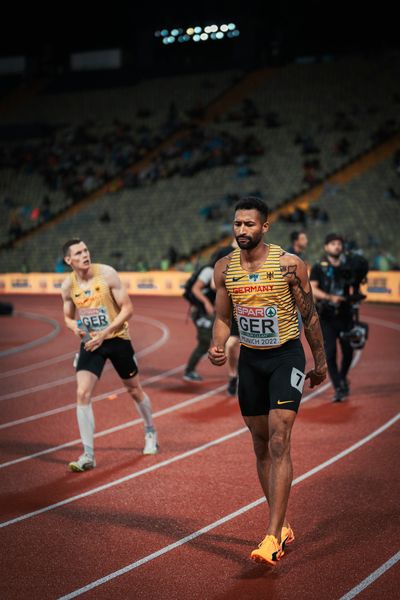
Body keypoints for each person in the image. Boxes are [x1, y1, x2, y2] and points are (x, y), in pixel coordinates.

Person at [209, 197, 327, 566]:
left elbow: (309, 317)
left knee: (279, 439)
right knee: (260, 443)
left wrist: (320, 364)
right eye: (237, 224)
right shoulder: (224, 268)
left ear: (265, 227)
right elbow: (223, 317)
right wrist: (217, 345)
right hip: (251, 361)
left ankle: (272, 537)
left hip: (285, 357)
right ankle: (284, 524)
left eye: (249, 224)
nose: (242, 230)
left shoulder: (290, 265)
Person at [61, 239, 158, 472]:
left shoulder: (107, 274)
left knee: (134, 390)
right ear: (68, 260)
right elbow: (67, 316)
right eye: (78, 253)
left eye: (86, 250)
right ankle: (88, 455)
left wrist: (105, 333)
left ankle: (150, 431)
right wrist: (73, 326)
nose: (85, 254)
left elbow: (128, 309)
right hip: (91, 342)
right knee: (82, 392)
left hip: (117, 339)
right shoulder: (67, 286)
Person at [310, 233, 359, 402]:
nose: (336, 246)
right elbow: (313, 289)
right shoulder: (319, 267)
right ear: (326, 247)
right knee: (329, 353)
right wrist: (330, 298)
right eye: (332, 244)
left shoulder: (349, 266)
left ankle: (343, 377)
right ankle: (338, 387)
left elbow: (356, 286)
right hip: (326, 317)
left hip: (346, 315)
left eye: (339, 243)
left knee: (348, 351)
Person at [182, 258, 216, 382]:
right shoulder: (209, 271)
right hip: (202, 313)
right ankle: (189, 371)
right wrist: (207, 303)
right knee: (204, 343)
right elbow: (195, 288)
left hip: (207, 313)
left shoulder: (218, 271)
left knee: (227, 340)